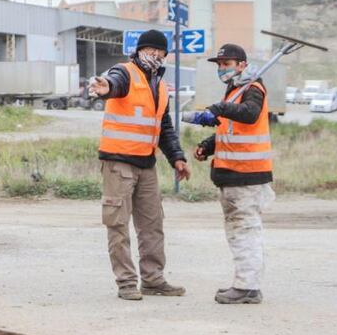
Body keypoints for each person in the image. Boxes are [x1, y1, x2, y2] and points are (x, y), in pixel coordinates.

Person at [90, 29, 190, 301]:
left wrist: (177, 157)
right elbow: (114, 83)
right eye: (150, 50)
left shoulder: (160, 86)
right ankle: (126, 283)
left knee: (152, 225)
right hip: (118, 162)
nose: (155, 55)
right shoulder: (123, 72)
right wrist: (106, 88)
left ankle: (153, 279)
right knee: (118, 224)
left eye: (160, 52)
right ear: (138, 51)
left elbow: (164, 127)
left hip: (146, 164)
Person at [189, 43, 273, 305]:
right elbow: (232, 130)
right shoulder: (235, 91)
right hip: (233, 174)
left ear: (242, 65)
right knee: (240, 230)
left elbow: (249, 116)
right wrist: (209, 145)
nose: (222, 69)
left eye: (227, 64)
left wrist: (219, 108)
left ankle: (247, 287)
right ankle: (247, 284)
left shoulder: (253, 89)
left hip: (246, 175)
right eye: (219, 65)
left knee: (244, 231)